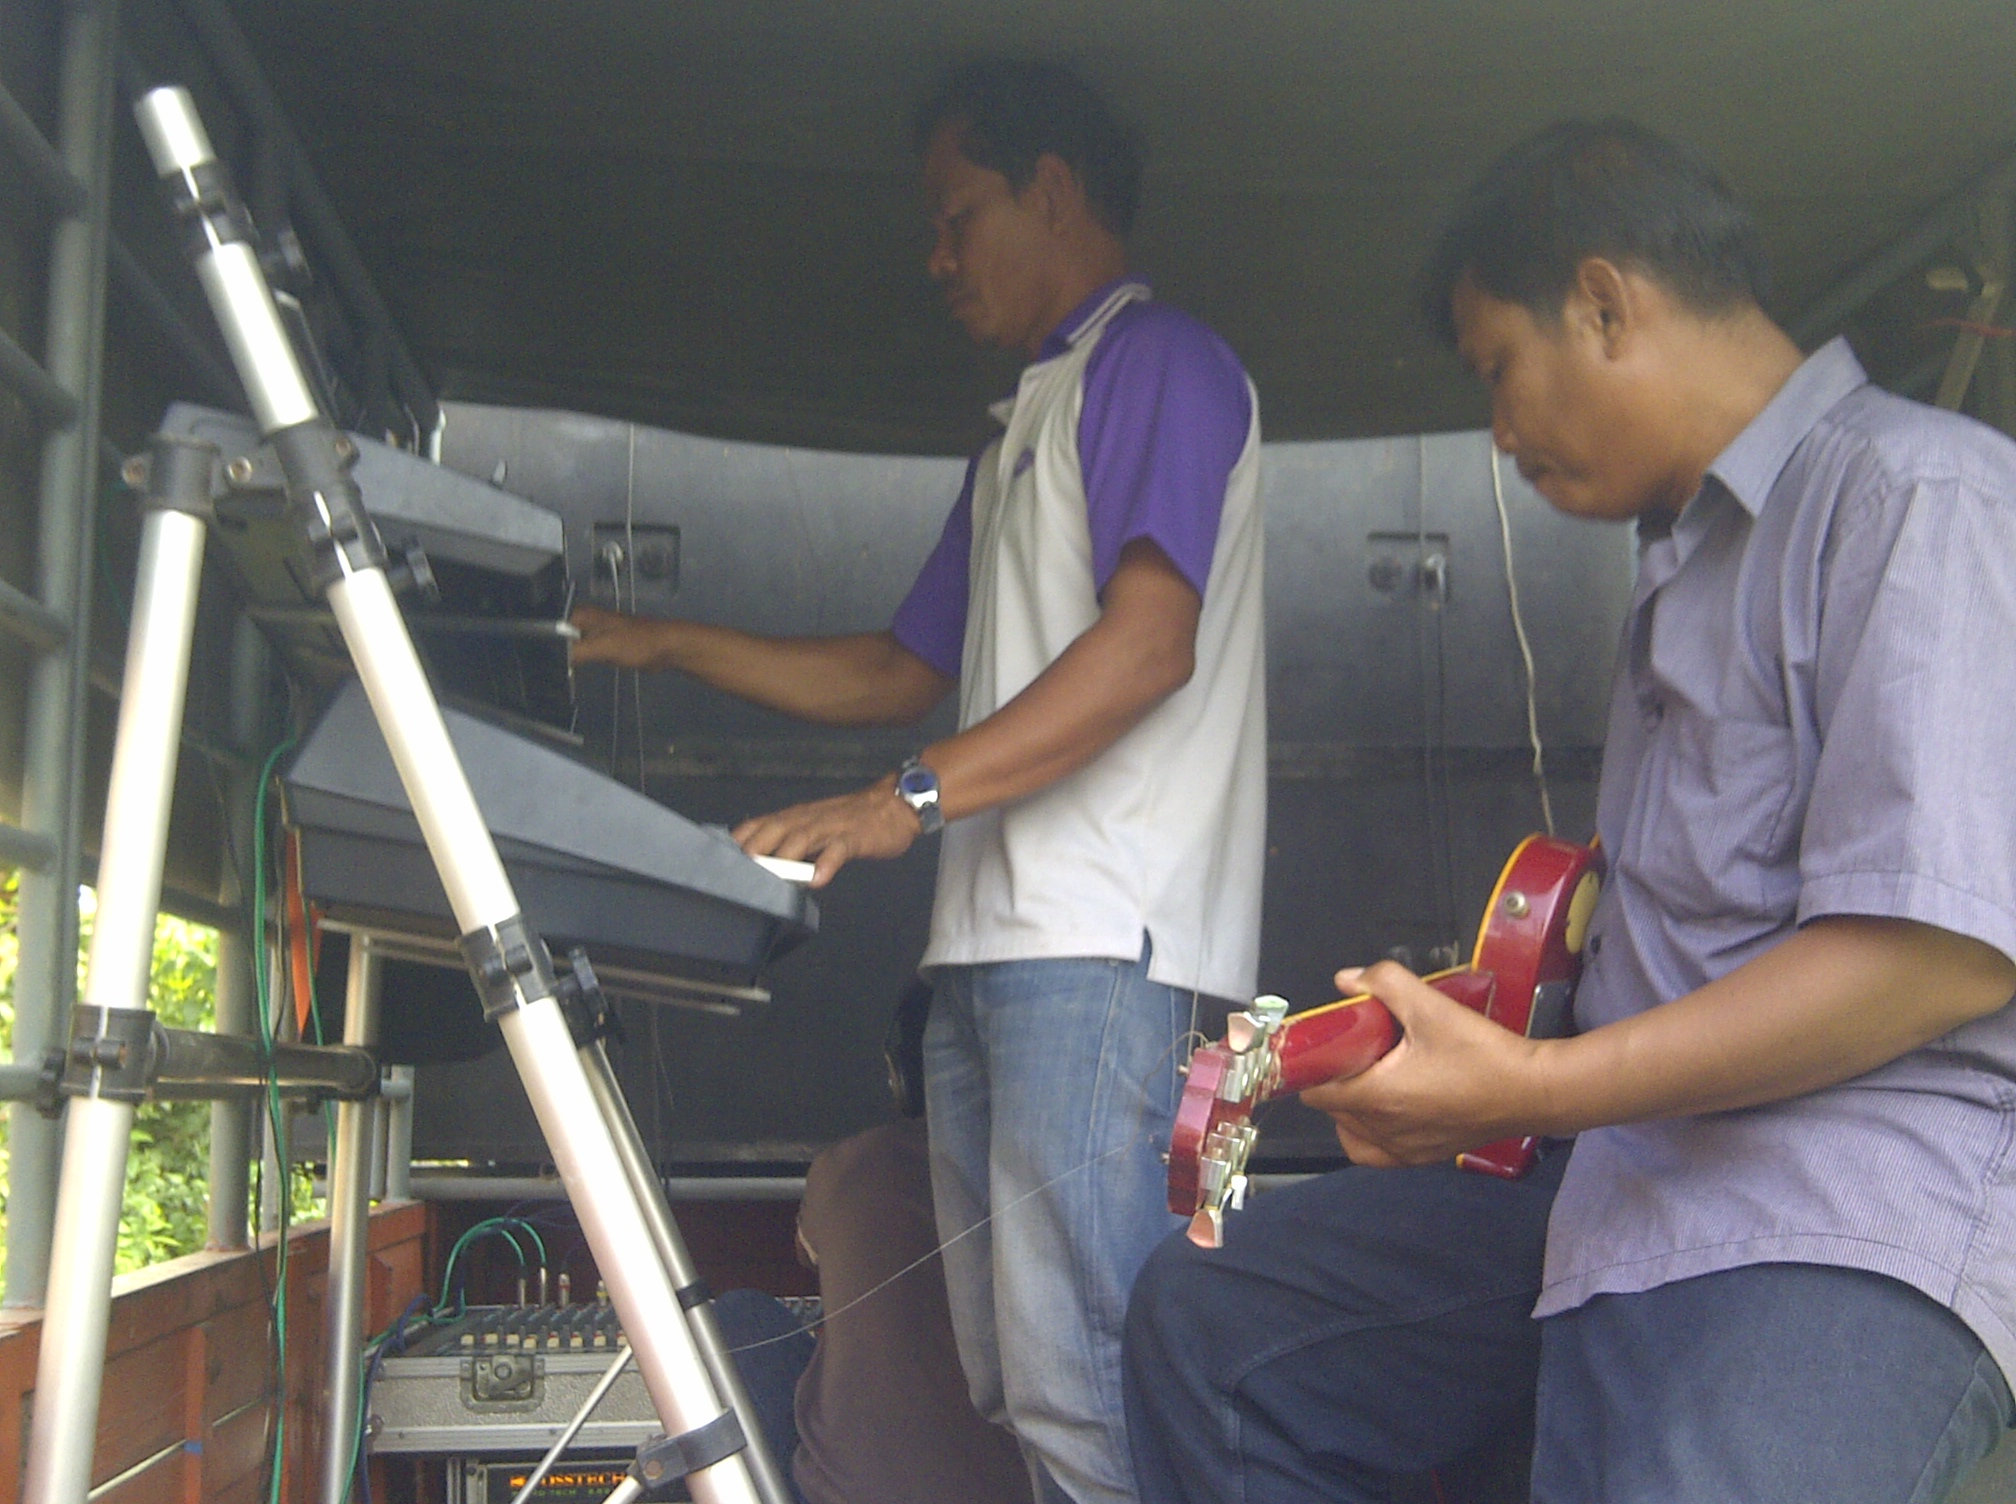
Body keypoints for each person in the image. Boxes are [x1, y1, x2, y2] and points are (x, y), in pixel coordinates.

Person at [1123, 118, 2016, 1504]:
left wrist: (1528, 1087)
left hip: (1835, 1213)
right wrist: (1450, 1060)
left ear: (1605, 304)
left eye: (1498, 369)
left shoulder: (1916, 495)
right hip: (1618, 1188)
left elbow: (1936, 956)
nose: (1498, 430)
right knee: (1217, 1328)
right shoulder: (1686, 562)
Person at [573, 61, 1266, 1504]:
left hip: (1103, 950)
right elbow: (900, 669)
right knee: (1019, 1389)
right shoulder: (1021, 427)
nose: (936, 258)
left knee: (1091, 1386)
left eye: (958, 218)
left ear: (1051, 192)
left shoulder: (1157, 362)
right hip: (993, 959)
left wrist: (908, 801)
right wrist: (661, 639)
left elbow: (1151, 645)